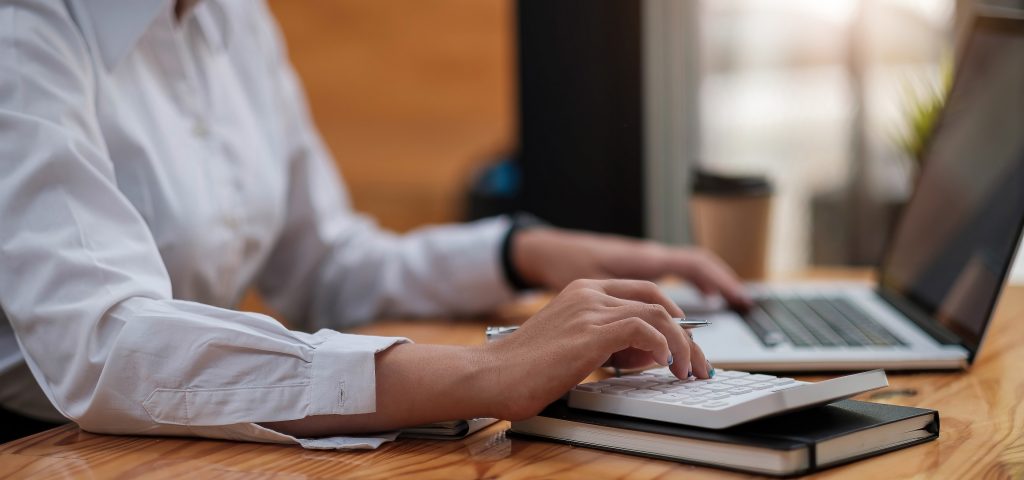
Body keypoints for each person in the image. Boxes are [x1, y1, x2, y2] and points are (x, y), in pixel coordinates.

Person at [0, 0, 749, 447]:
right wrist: (489, 372)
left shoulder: (232, 17)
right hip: (43, 450)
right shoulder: (23, 33)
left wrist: (523, 250)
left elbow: (324, 266)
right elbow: (107, 351)